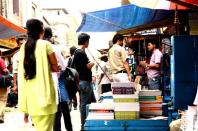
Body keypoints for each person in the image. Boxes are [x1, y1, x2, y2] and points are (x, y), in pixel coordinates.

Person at [17, 19, 60, 131]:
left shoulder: (23, 47)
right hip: (45, 96)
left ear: (28, 31)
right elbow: (56, 67)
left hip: (30, 98)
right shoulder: (46, 45)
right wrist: (49, 67)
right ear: (42, 31)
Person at [43, 27, 73, 131]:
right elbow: (62, 67)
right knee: (63, 108)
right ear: (50, 36)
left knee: (52, 112)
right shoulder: (53, 48)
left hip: (41, 84)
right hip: (56, 81)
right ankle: (69, 128)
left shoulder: (32, 48)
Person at [72, 33, 94, 131]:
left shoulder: (78, 51)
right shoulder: (80, 52)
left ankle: (90, 124)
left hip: (83, 81)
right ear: (86, 42)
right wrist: (92, 63)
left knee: (92, 103)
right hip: (84, 82)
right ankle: (84, 126)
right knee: (84, 104)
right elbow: (87, 66)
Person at [12, 37, 30, 123]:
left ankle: (33, 116)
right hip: (22, 80)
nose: (23, 45)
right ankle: (26, 116)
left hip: (33, 78)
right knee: (25, 99)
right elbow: (15, 71)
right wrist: (15, 85)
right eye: (21, 43)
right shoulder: (16, 56)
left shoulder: (31, 53)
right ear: (18, 45)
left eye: (24, 43)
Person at [0, 51, 10, 123]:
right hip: (1, 82)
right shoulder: (0, 60)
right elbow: (5, 70)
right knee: (2, 100)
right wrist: (8, 72)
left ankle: (1, 117)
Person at [68, 46, 78, 110]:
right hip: (76, 77)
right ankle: (75, 105)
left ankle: (72, 105)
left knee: (72, 92)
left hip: (71, 77)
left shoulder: (70, 59)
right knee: (75, 92)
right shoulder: (76, 58)